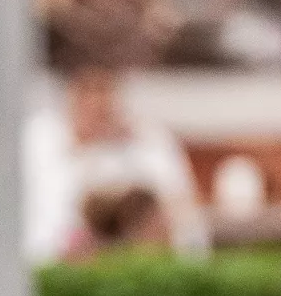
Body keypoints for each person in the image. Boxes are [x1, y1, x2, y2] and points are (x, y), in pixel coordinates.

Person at [24, 66, 209, 263]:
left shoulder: (148, 140)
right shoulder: (40, 138)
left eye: (104, 94)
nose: (97, 106)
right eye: (88, 93)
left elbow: (181, 206)